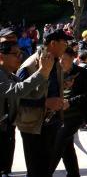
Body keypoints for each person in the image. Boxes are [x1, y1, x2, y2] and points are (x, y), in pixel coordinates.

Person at [16, 28, 72, 177]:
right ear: (53, 43)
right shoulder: (29, 66)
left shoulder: (56, 62)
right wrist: (45, 103)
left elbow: (49, 89)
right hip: (33, 127)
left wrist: (61, 97)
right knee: (36, 170)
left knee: (46, 169)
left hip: (51, 124)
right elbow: (16, 99)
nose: (66, 46)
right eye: (64, 42)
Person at [0, 41, 53, 177]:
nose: (20, 57)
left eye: (20, 54)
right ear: (1, 57)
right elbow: (16, 91)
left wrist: (45, 74)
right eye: (15, 54)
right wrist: (41, 73)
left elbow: (34, 94)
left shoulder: (11, 76)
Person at [48, 46, 87, 177]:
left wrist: (70, 102)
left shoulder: (84, 74)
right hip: (58, 115)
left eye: (64, 59)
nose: (61, 62)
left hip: (76, 116)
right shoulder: (55, 72)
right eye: (59, 59)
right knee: (67, 147)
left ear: (73, 58)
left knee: (57, 145)